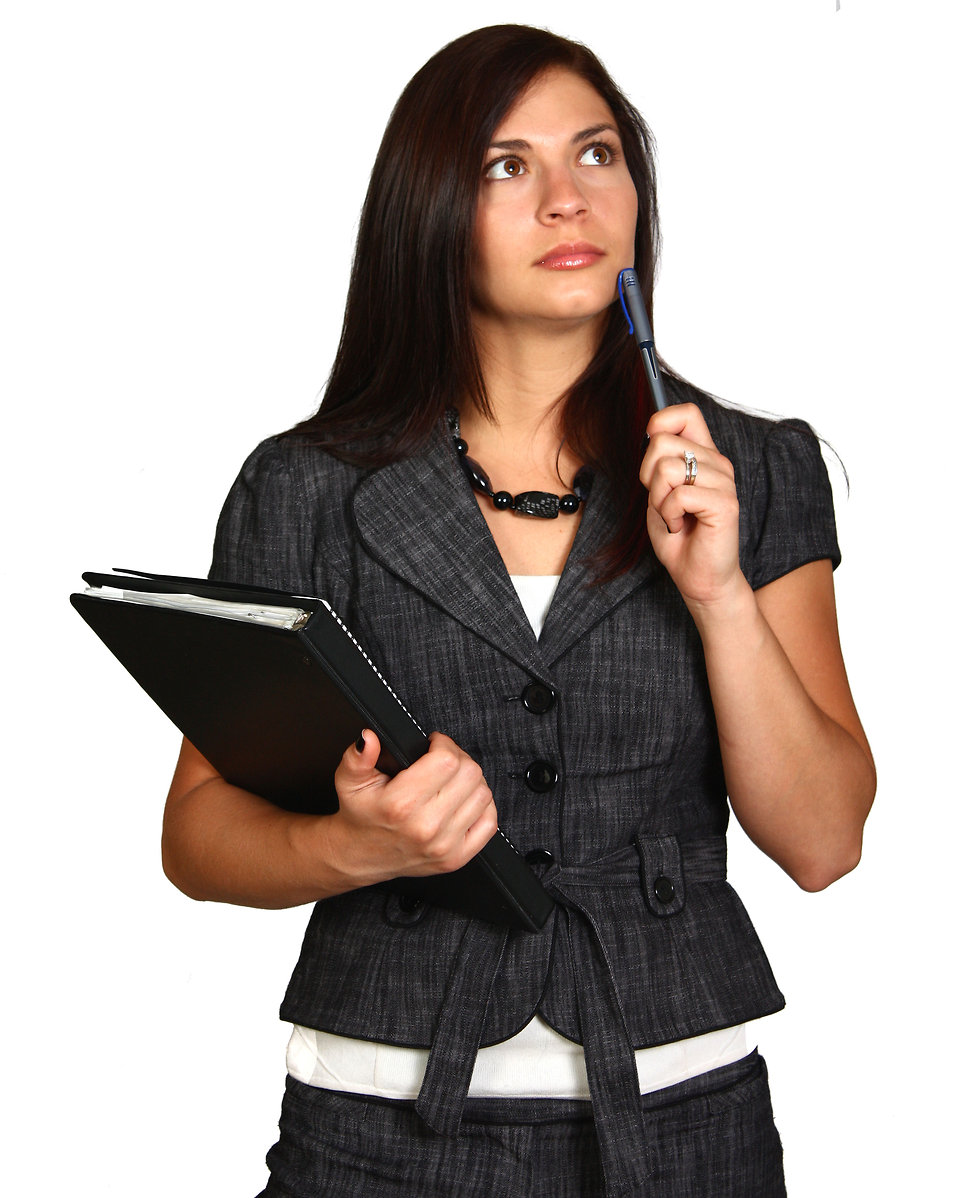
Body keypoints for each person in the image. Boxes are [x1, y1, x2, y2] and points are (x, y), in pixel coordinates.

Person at [162, 24, 875, 1198]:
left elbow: (824, 841)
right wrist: (355, 845)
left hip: (687, 1129)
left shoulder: (757, 466)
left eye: (596, 154)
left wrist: (720, 595)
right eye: (508, 166)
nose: (565, 199)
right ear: (431, 209)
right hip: (374, 1139)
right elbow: (194, 835)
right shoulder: (307, 487)